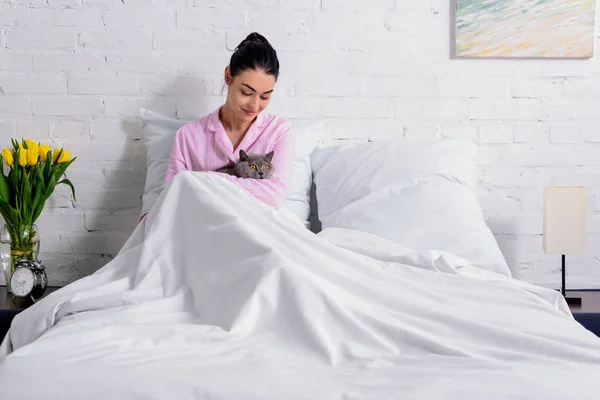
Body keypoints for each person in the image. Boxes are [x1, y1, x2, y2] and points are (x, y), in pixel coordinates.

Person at [162, 32, 294, 210]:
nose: (254, 105)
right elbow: (172, 198)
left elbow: (274, 196)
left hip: (261, 229)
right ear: (228, 76)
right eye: (246, 93)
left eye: (264, 96)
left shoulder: (279, 132)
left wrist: (209, 178)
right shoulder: (188, 136)